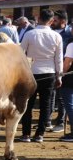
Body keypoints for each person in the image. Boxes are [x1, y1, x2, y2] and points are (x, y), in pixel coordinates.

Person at [18, 9, 63, 143]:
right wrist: (59, 76)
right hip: (49, 73)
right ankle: (40, 134)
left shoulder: (30, 34)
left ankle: (26, 134)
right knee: (46, 105)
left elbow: (20, 54)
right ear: (51, 21)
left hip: (31, 72)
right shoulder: (56, 36)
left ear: (38, 18)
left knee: (28, 104)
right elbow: (58, 59)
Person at [59, 41, 73, 141]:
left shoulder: (71, 45)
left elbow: (68, 62)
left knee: (70, 105)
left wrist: (61, 74)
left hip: (70, 79)